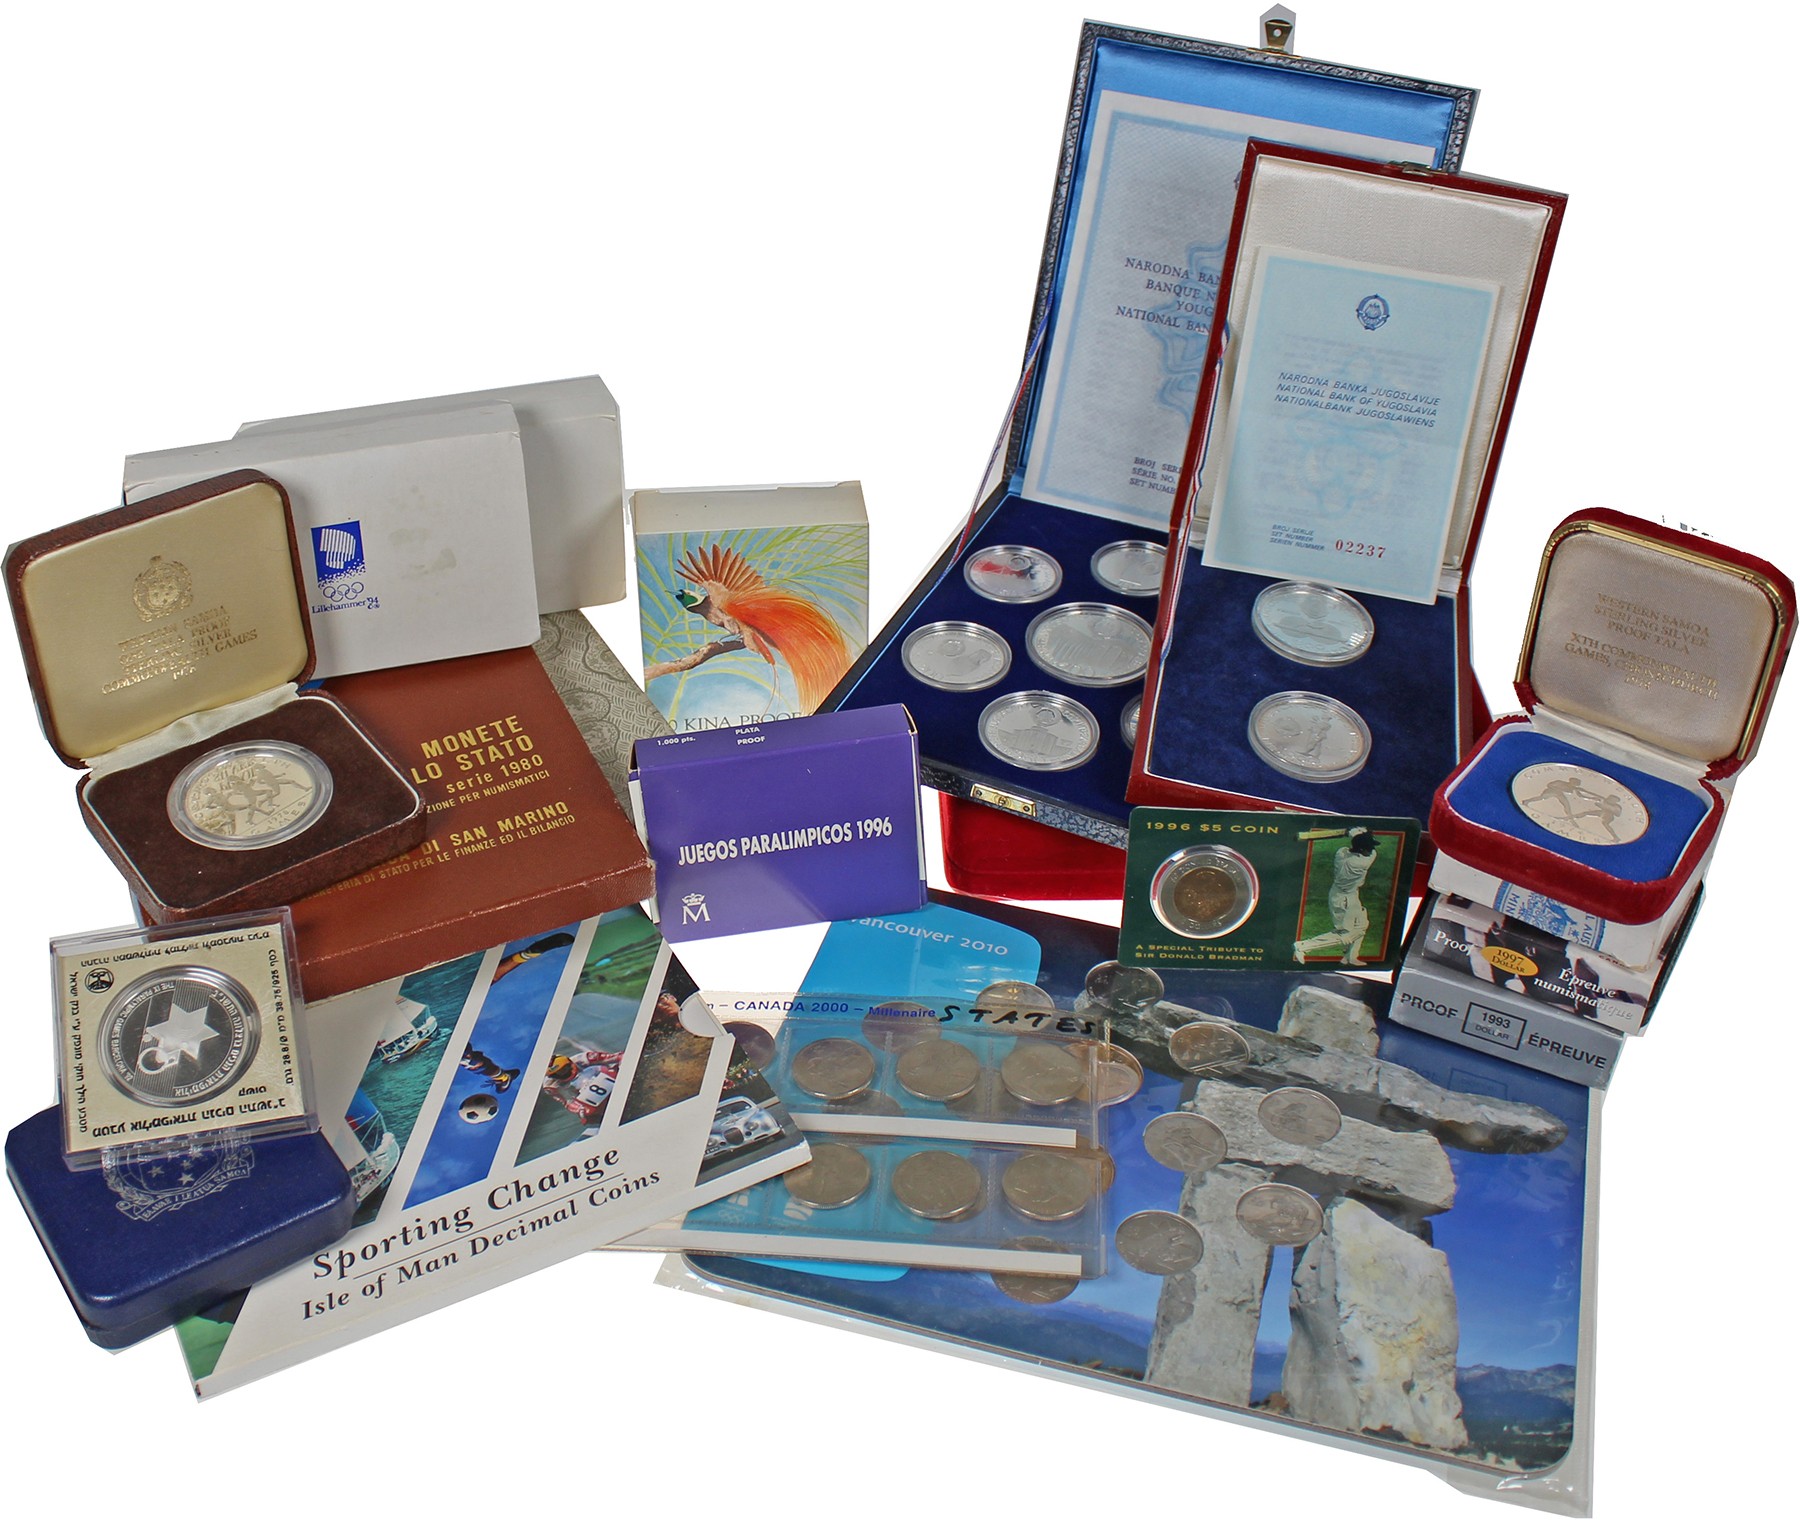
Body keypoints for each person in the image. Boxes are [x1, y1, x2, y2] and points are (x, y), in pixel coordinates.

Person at [1293, 827, 1381, 967]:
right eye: (1368, 848)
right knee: (1346, 934)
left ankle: (1350, 957)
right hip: (1343, 899)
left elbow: (1358, 844)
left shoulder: (1341, 853)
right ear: (1360, 850)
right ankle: (1303, 946)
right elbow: (1373, 853)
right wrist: (1360, 831)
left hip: (1347, 894)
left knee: (1362, 924)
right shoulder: (1361, 863)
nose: (1371, 850)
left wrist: (1358, 833)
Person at [542, 1048, 624, 1126]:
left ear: (570, 1063)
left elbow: (619, 1056)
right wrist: (580, 1109)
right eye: (556, 1074)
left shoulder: (584, 1058)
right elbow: (567, 1101)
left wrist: (622, 1068)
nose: (562, 1074)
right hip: (588, 1096)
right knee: (589, 1117)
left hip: (608, 1076)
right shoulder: (550, 1085)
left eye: (563, 1070)